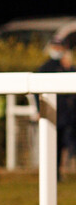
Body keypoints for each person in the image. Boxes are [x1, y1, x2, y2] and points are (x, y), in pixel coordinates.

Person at [37, 37, 76, 180]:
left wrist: (69, 68)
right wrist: (39, 110)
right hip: (52, 111)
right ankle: (52, 174)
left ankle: (58, 173)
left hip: (67, 115)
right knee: (52, 145)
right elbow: (37, 92)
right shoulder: (45, 67)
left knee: (64, 144)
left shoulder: (67, 66)